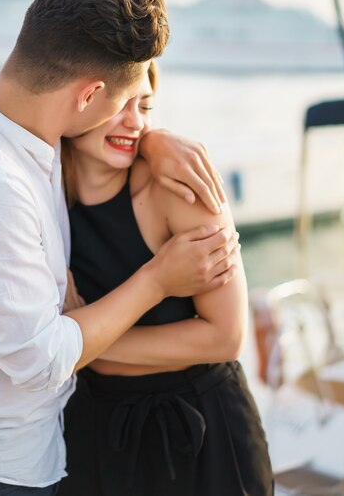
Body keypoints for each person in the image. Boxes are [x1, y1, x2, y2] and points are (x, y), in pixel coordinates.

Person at [0, 0, 237, 496]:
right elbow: (39, 361)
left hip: (45, 449)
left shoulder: (23, 129)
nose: (133, 120)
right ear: (89, 95)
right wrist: (158, 281)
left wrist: (158, 140)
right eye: (123, 105)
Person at [58, 61, 274, 496]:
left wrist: (86, 347)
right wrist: (74, 349)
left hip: (205, 432)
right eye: (122, 103)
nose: (136, 122)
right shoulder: (40, 194)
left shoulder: (181, 186)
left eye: (147, 106)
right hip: (96, 431)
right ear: (79, 100)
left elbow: (226, 337)